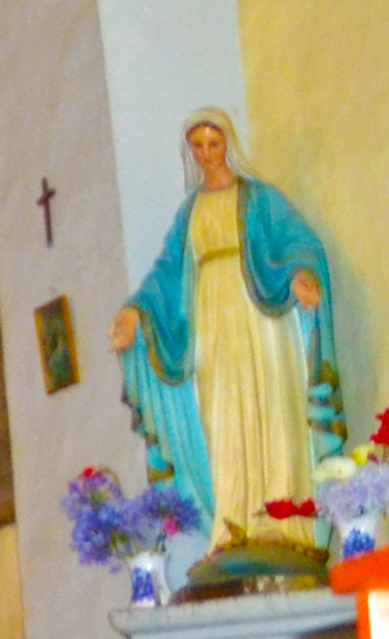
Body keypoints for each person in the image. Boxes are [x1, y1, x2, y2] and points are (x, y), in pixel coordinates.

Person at [111, 110, 342, 545]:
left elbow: (297, 242)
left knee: (272, 403)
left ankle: (282, 518)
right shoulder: (190, 212)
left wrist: (300, 276)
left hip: (260, 314)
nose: (206, 154)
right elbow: (166, 274)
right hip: (211, 321)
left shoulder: (258, 198)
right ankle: (233, 521)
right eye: (197, 146)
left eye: (213, 144)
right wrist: (134, 314)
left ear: (228, 145)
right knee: (221, 414)